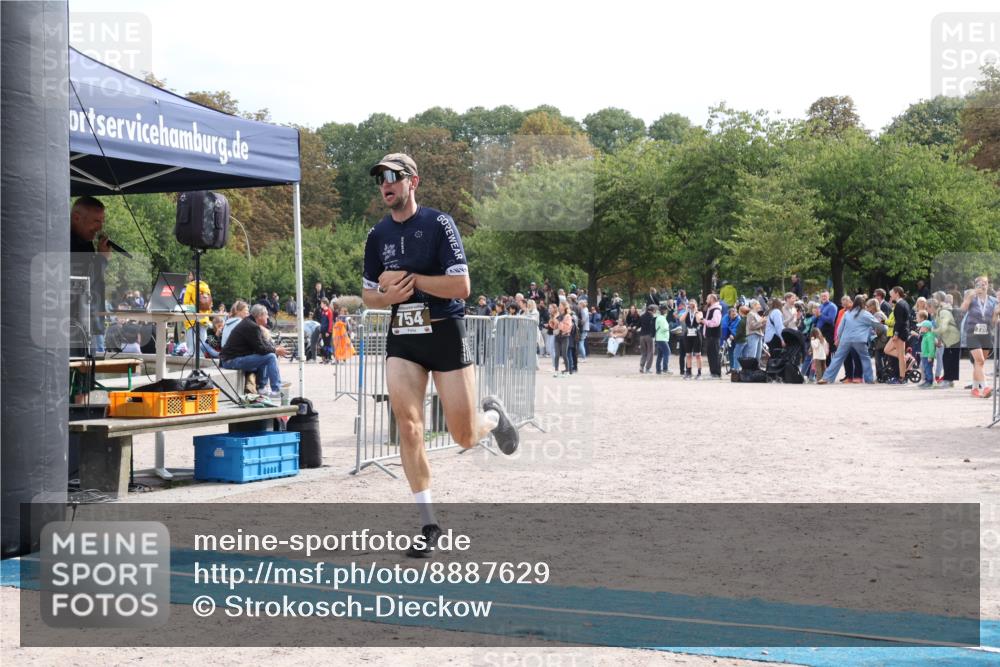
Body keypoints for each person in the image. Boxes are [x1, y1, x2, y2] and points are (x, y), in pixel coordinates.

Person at [362, 152, 518, 558]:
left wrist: (410, 283)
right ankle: (428, 523)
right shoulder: (377, 235)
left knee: (463, 435)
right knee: (409, 426)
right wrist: (386, 297)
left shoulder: (439, 224)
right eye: (380, 177)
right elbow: (367, 295)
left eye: (393, 175)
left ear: (412, 181)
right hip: (405, 338)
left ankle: (494, 417)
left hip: (446, 331)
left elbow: (462, 286)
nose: (385, 183)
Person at [70, 196, 111, 355]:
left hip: (88, 322)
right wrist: (101, 260)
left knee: (87, 375)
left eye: (102, 221)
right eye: (96, 221)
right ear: (76, 218)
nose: (100, 227)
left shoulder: (86, 242)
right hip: (72, 326)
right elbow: (80, 282)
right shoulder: (64, 242)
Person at [220, 304, 289, 397]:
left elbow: (263, 345)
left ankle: (262, 388)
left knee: (268, 355)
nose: (268, 317)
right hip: (231, 361)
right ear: (260, 316)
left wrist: (274, 348)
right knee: (270, 357)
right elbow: (261, 349)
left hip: (231, 359)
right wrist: (275, 350)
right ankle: (276, 390)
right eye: (266, 314)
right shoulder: (252, 326)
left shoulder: (250, 323)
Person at [818, 296, 884, 384]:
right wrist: (885, 327)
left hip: (846, 339)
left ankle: (826, 378)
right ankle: (869, 379)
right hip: (859, 340)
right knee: (865, 358)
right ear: (863, 304)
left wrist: (838, 339)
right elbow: (878, 325)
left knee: (837, 358)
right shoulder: (865, 314)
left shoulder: (847, 313)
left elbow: (840, 328)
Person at [961, 275, 996, 398]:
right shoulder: (971, 296)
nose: (982, 285)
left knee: (979, 363)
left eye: (985, 283)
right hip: (972, 333)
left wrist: (997, 314)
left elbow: (993, 321)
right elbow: (963, 309)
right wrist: (970, 297)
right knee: (979, 360)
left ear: (988, 285)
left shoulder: (992, 300)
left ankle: (975, 389)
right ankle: (985, 387)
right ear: (975, 285)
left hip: (986, 334)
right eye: (979, 283)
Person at [928, 296, 960, 387]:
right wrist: (939, 340)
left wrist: (932, 331)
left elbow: (943, 328)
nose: (927, 310)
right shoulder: (938, 313)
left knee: (950, 360)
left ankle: (948, 380)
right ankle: (948, 380)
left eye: (927, 307)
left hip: (953, 339)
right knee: (947, 359)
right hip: (948, 340)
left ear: (931, 306)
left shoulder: (943, 312)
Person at [883, 286, 912, 385]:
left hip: (900, 333)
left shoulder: (900, 304)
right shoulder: (904, 303)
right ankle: (905, 360)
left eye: (892, 293)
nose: (890, 295)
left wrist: (896, 334)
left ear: (897, 293)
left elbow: (900, 322)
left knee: (898, 354)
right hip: (902, 332)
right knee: (888, 350)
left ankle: (902, 377)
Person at [182, 278, 212, 358]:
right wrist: (207, 316)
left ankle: (191, 353)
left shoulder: (190, 286)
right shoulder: (206, 287)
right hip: (204, 317)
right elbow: (209, 303)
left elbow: (186, 302)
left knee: (191, 337)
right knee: (202, 338)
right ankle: (201, 354)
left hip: (192, 317)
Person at [679, 299, 703, 379]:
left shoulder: (699, 313)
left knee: (698, 354)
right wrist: (687, 311)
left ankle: (699, 373)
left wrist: (695, 311)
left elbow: (698, 320)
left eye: (693, 304)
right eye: (690, 304)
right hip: (688, 334)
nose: (691, 306)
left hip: (696, 334)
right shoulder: (686, 313)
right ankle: (688, 372)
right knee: (688, 354)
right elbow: (681, 319)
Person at [702, 294, 723, 379]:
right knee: (711, 354)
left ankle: (716, 373)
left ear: (712, 299)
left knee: (714, 354)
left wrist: (705, 322)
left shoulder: (716, 310)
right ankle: (713, 372)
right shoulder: (711, 309)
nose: (706, 300)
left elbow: (715, 323)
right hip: (710, 335)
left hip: (713, 336)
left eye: (707, 299)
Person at [551, 302, 573, 376]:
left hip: (565, 337)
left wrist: (559, 323)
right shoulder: (558, 315)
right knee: (556, 355)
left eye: (560, 305)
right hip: (557, 336)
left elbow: (567, 327)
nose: (559, 307)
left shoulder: (567, 316)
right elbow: (554, 326)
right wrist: (552, 323)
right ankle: (556, 370)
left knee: (564, 354)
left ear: (564, 307)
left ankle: (567, 371)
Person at [916, 319, 936, 388]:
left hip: (928, 356)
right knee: (925, 368)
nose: (920, 328)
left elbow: (931, 347)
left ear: (926, 328)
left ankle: (929, 382)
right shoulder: (925, 335)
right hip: (924, 355)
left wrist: (930, 356)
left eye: (921, 327)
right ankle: (927, 380)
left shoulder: (929, 336)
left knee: (928, 369)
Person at [638, 304, 656, 374]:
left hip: (642, 336)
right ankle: (647, 368)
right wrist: (653, 335)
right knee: (650, 352)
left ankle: (641, 367)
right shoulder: (652, 317)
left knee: (643, 353)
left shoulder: (642, 316)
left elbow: (638, 325)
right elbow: (653, 327)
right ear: (653, 310)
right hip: (649, 336)